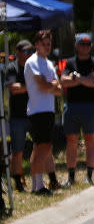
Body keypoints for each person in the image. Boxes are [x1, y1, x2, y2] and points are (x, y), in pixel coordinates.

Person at [60, 34, 94, 186]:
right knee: (71, 141)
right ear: (76, 45)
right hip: (72, 106)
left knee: (90, 140)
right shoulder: (70, 63)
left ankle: (89, 175)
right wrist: (85, 79)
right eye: (82, 43)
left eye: (87, 44)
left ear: (90, 46)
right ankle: (71, 177)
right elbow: (63, 81)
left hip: (90, 107)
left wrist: (77, 78)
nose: (85, 46)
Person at [24, 30, 62, 194]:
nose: (47, 47)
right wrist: (52, 84)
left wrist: (52, 84)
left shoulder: (48, 63)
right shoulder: (32, 62)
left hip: (48, 110)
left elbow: (59, 90)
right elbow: (44, 86)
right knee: (43, 147)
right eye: (44, 44)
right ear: (36, 44)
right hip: (37, 111)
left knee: (42, 147)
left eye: (49, 44)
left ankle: (38, 184)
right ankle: (38, 186)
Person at [6, 40, 33, 192]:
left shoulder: (33, 66)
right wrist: (32, 87)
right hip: (18, 116)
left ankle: (41, 178)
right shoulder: (12, 68)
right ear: (18, 52)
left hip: (34, 113)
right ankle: (17, 183)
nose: (29, 55)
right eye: (26, 51)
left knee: (42, 146)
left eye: (31, 51)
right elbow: (14, 88)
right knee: (17, 151)